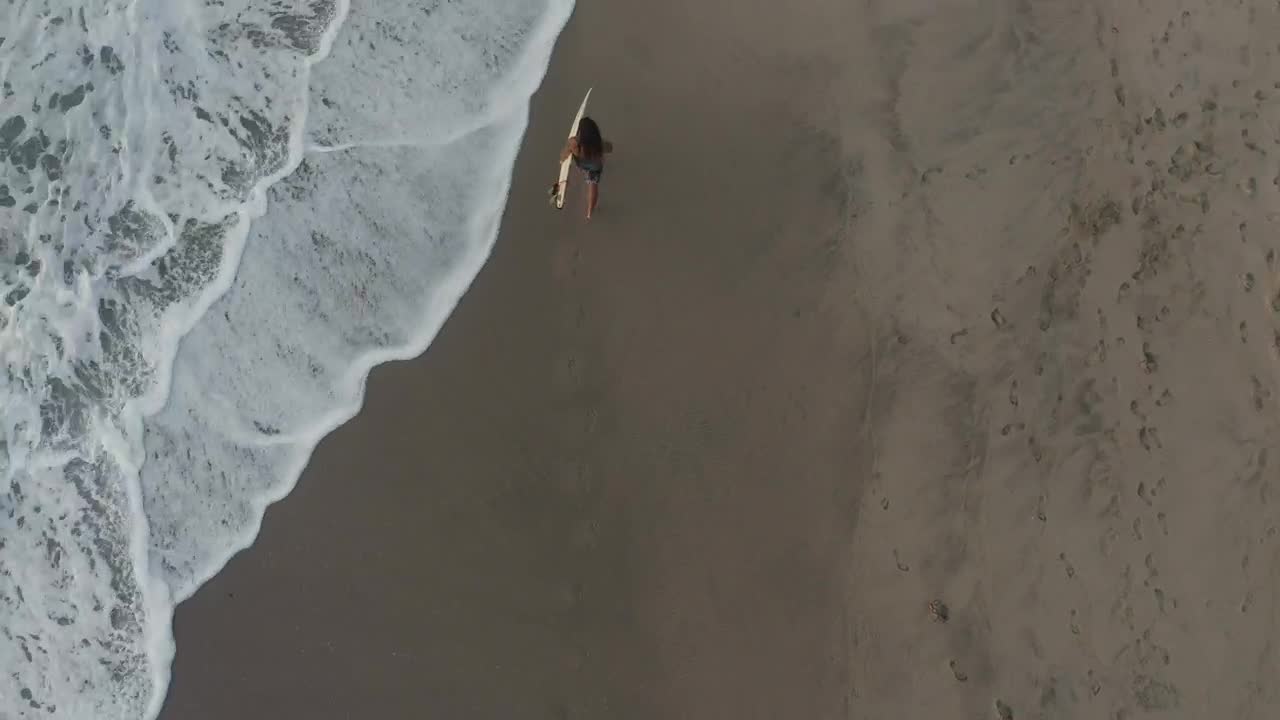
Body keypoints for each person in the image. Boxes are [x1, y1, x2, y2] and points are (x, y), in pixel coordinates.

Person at [558, 117, 612, 220]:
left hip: (582, 165)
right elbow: (609, 148)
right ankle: (589, 213)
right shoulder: (597, 142)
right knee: (593, 187)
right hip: (596, 167)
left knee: (587, 175)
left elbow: (564, 155)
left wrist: (561, 160)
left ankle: (589, 211)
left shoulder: (573, 142)